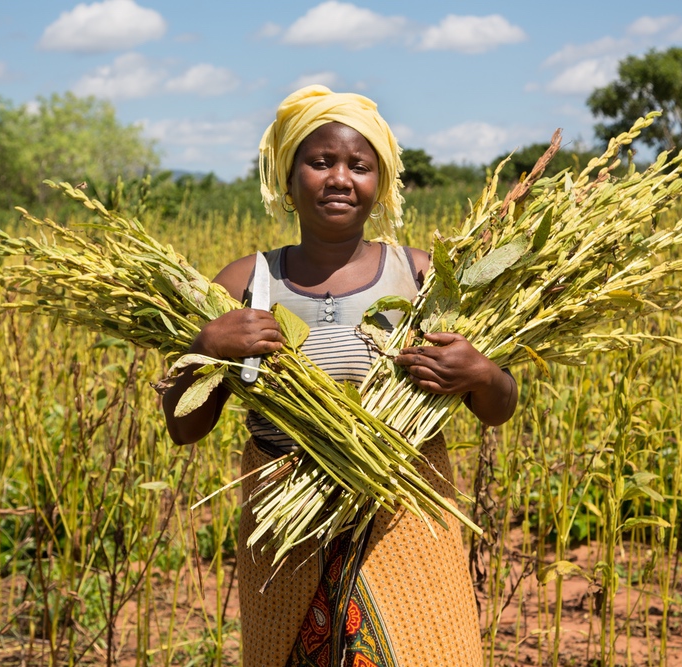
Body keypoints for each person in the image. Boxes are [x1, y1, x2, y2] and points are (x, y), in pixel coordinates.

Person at [162, 85, 518, 667]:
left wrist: (479, 372)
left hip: (405, 507)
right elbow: (184, 427)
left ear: (380, 184)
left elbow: (499, 405)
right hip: (286, 525)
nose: (339, 179)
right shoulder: (245, 283)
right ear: (286, 178)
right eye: (319, 161)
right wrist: (206, 348)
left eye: (359, 165)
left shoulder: (423, 277)